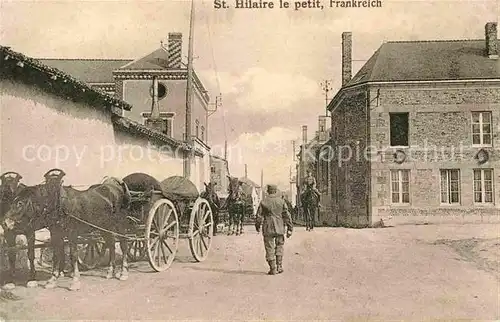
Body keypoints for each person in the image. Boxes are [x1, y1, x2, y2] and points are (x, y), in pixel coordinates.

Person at [255, 184, 293, 275]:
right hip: (280, 227)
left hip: (268, 227)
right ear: (276, 191)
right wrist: (290, 228)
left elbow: (259, 216)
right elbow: (287, 215)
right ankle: (279, 266)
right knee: (279, 245)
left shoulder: (264, 202)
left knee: (269, 247)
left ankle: (273, 268)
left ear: (268, 191)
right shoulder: (281, 201)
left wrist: (257, 226)